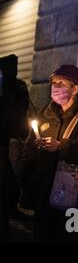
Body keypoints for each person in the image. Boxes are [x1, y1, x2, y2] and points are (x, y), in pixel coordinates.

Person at [19, 65, 78, 242]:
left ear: (75, 88)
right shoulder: (46, 111)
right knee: (42, 236)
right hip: (43, 190)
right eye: (53, 83)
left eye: (61, 83)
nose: (55, 87)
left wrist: (60, 146)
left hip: (71, 193)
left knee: (68, 237)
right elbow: (28, 147)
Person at [0, 54, 29, 242]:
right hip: (9, 139)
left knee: (10, 179)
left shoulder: (17, 86)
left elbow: (20, 112)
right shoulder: (13, 86)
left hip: (10, 140)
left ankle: (10, 213)